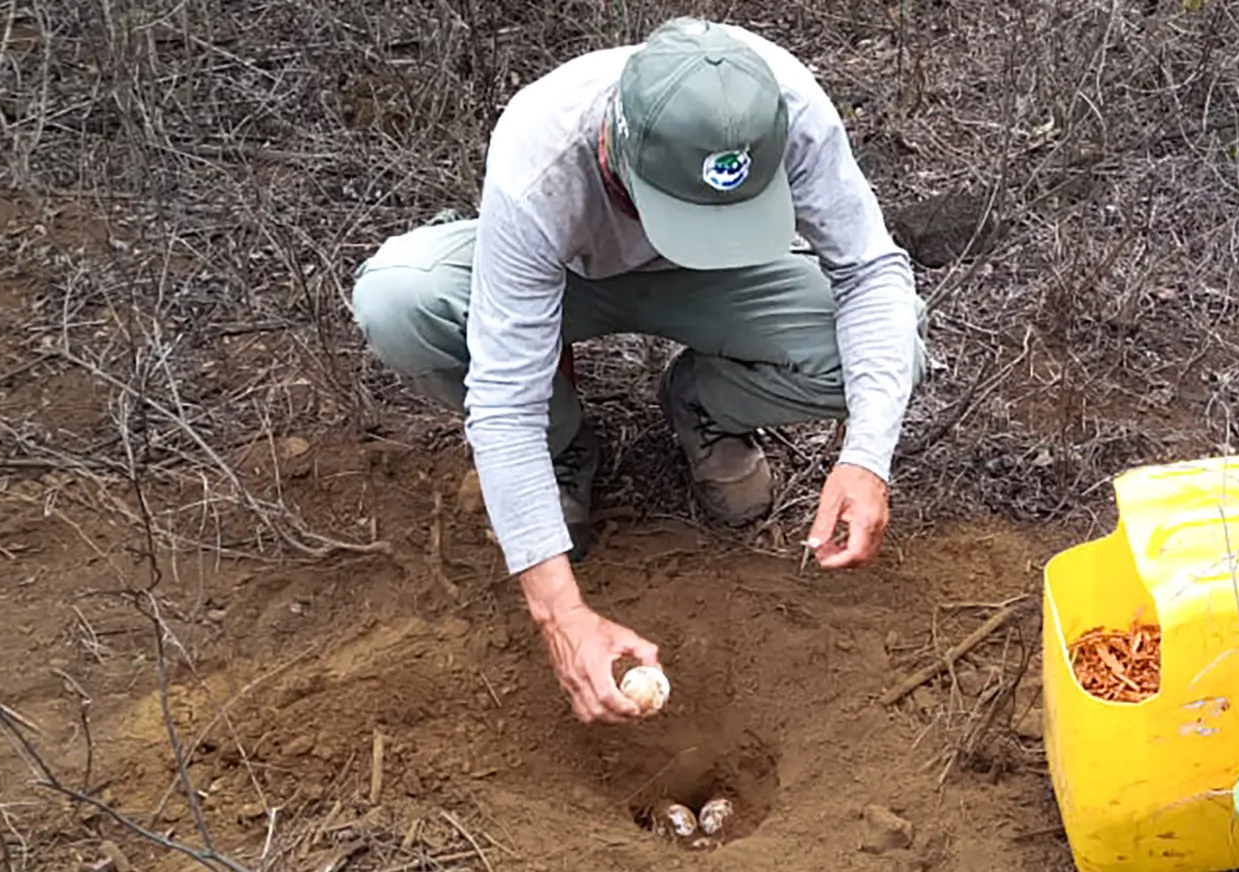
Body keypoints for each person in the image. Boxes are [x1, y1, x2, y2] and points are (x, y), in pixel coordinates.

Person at [347, 18, 928, 725]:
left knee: (883, 351)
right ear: (612, 152)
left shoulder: (785, 111)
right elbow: (503, 400)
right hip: (566, 278)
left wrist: (867, 456)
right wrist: (562, 614)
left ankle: (707, 407)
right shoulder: (543, 150)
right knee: (399, 300)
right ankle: (565, 450)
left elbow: (871, 273)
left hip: (724, 275)